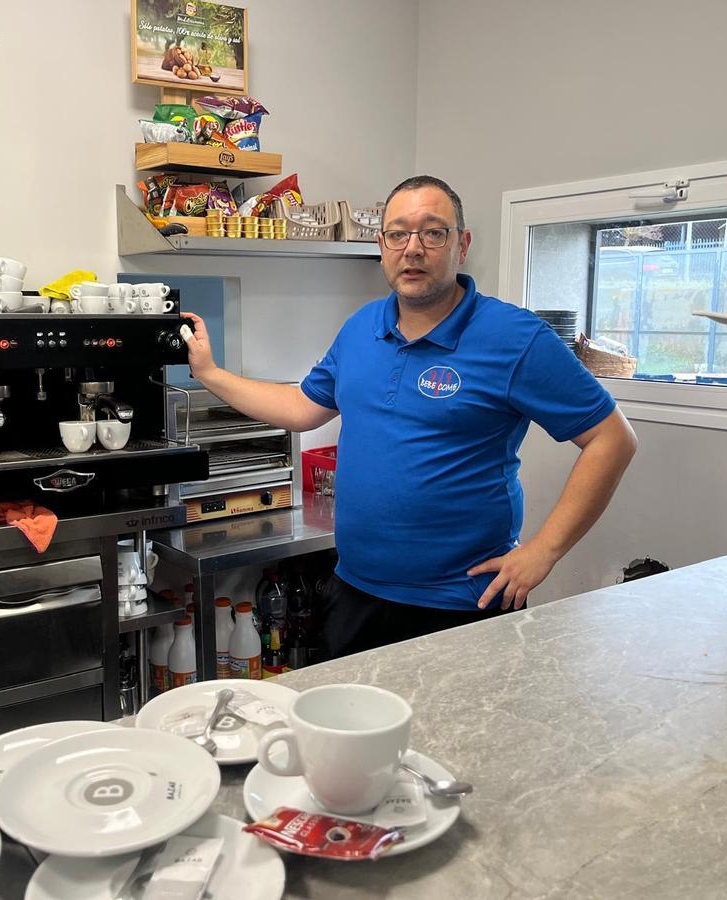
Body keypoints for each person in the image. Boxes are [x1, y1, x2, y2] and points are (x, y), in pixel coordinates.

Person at [179, 175, 638, 659]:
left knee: (457, 737)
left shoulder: (515, 338)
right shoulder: (360, 328)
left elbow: (613, 439)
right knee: (343, 732)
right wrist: (209, 373)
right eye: (398, 234)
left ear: (462, 244)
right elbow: (301, 408)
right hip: (354, 593)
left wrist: (543, 551)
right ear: (382, 246)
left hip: (463, 606)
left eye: (432, 232)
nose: (412, 248)